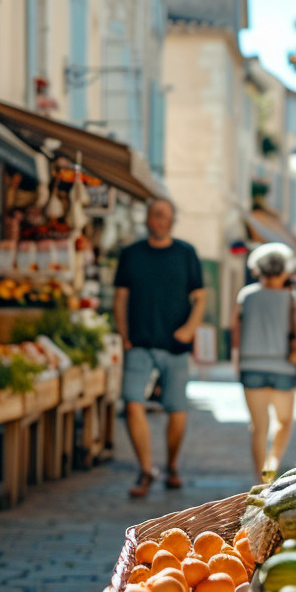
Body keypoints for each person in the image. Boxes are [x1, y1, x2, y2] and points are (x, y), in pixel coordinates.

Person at [113, 198, 206, 497]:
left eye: (165, 215)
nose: (160, 220)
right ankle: (145, 469)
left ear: (173, 220)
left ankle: (172, 466)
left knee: (176, 408)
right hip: (139, 342)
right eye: (155, 215)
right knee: (131, 400)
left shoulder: (186, 253)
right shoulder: (131, 254)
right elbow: (120, 298)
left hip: (175, 346)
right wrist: (124, 335)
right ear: (147, 219)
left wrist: (190, 329)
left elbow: (201, 297)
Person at [232, 243, 296, 481]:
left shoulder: (246, 296)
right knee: (284, 423)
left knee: (258, 426)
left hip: (251, 365)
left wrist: (238, 364)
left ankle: (260, 479)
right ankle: (271, 467)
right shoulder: (292, 297)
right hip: (283, 367)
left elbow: (236, 334)